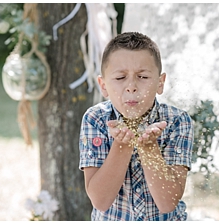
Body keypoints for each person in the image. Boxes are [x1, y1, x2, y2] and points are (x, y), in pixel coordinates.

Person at [78, 32, 194, 221]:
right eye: (120, 77)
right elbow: (100, 201)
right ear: (104, 85)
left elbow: (167, 203)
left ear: (160, 83)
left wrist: (149, 148)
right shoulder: (95, 119)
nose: (131, 86)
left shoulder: (177, 121)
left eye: (142, 76)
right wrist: (122, 145)